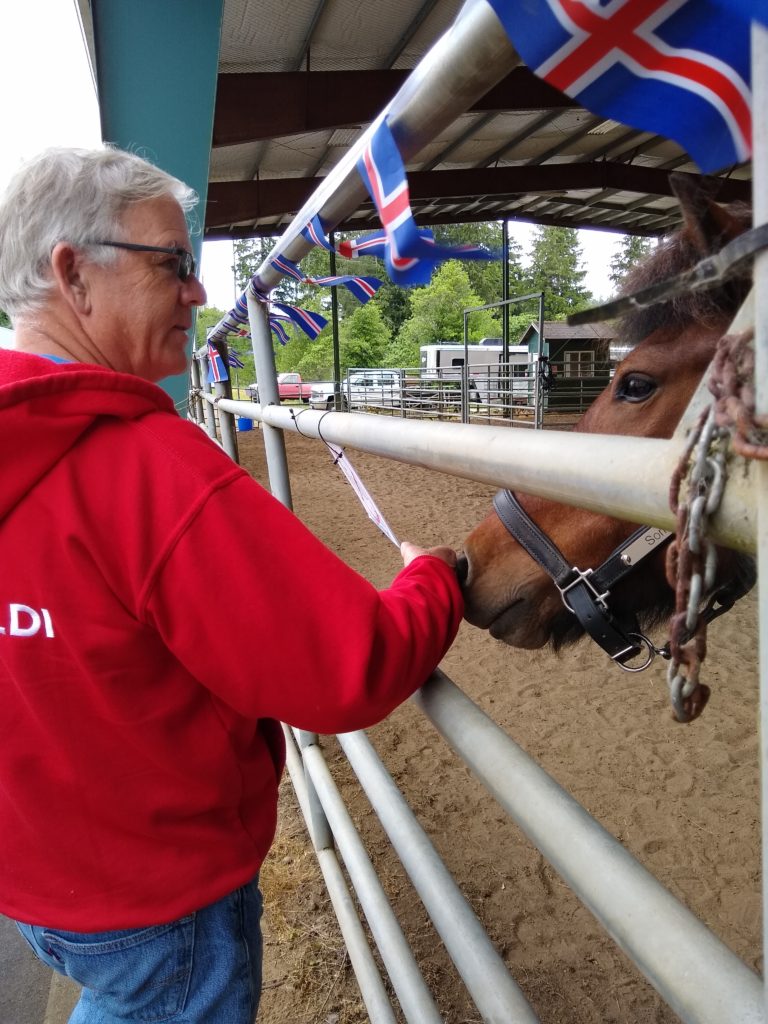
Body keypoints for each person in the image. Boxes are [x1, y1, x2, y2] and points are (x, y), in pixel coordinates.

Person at [0, 146, 463, 1024]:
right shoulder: (146, 469)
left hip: (34, 881)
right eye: (173, 264)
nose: (199, 293)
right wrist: (432, 579)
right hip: (159, 894)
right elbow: (345, 668)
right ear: (74, 273)